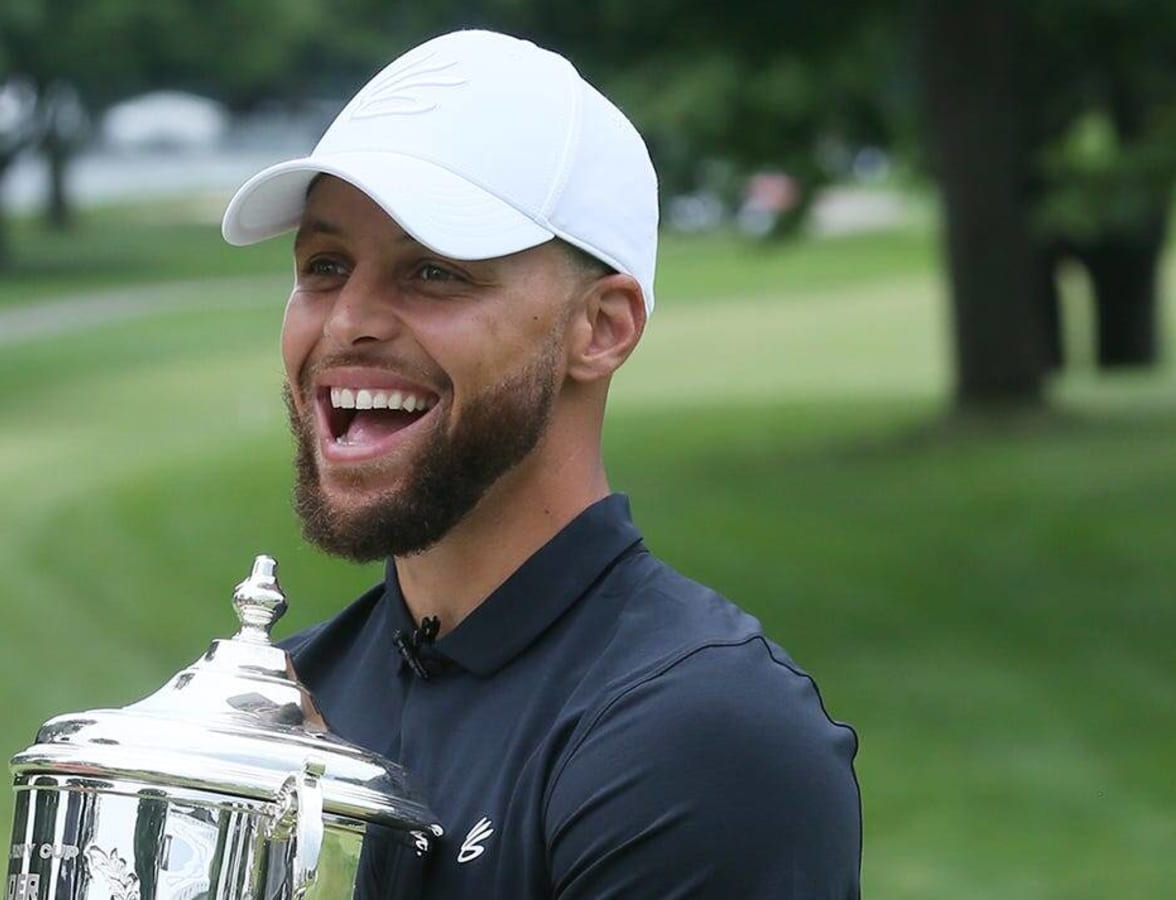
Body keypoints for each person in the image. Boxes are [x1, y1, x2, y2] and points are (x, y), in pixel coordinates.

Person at [221, 29, 861, 899]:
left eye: (435, 272)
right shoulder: (279, 706)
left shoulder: (701, 733)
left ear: (600, 328)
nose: (346, 323)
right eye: (325, 266)